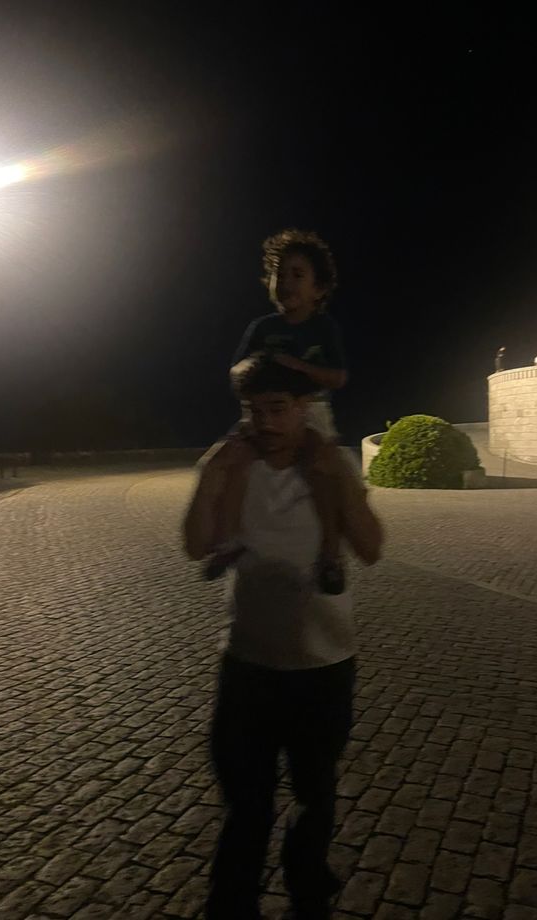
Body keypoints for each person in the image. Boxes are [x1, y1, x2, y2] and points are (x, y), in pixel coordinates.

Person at [183, 353, 383, 920]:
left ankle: (306, 889)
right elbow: (197, 545)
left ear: (304, 410)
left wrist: (341, 482)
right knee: (245, 807)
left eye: (278, 409)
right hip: (246, 667)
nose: (265, 423)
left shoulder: (331, 465)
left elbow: (370, 548)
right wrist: (214, 474)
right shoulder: (231, 463)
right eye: (254, 411)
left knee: (314, 799)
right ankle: (232, 905)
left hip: (324, 668)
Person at [205, 229, 349, 595]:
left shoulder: (323, 328)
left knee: (322, 474)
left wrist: (293, 366)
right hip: (262, 412)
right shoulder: (262, 327)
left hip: (310, 412)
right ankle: (228, 540)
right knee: (231, 462)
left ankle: (331, 556)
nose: (285, 282)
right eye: (278, 274)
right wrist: (254, 366)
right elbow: (235, 371)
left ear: (319, 289)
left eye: (297, 274)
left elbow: (338, 377)